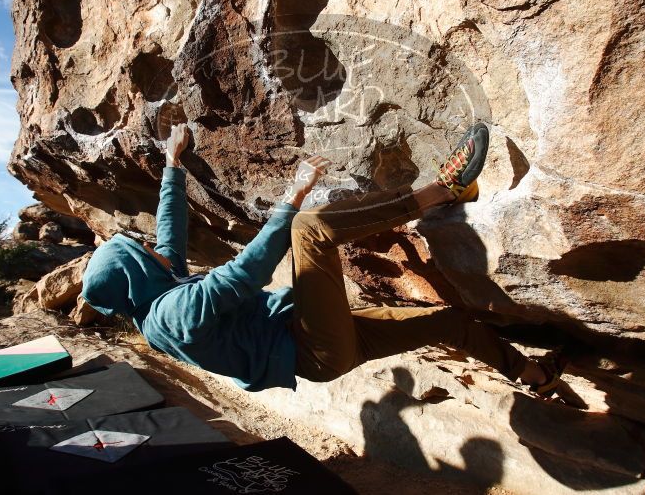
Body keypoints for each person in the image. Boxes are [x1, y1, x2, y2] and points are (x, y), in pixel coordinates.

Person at [82, 123, 563, 396]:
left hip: (318, 342)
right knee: (309, 228)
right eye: (143, 250)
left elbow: (170, 233)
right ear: (136, 275)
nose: (152, 247)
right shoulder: (170, 315)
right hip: (312, 348)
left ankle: (533, 375)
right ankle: (443, 190)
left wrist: (172, 163)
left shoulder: (156, 290)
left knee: (450, 323)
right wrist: (292, 196)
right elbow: (245, 274)